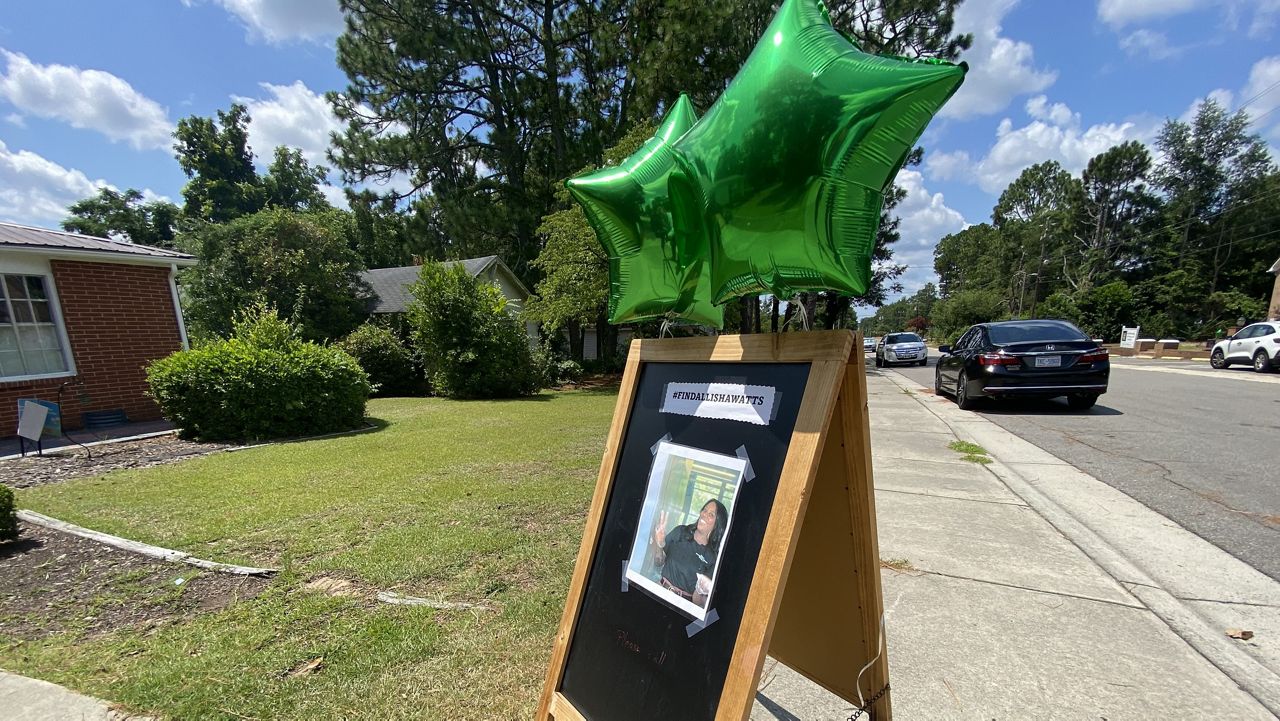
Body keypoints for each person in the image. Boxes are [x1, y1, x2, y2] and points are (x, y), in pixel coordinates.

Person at [651, 499, 729, 608]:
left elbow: (697, 602)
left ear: (717, 524)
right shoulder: (680, 532)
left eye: (711, 514)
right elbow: (658, 562)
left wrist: (700, 590)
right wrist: (659, 544)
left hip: (681, 606)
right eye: (704, 510)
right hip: (658, 590)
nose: (704, 515)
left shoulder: (712, 558)